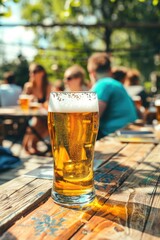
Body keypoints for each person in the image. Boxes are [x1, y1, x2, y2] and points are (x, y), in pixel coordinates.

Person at [87, 52, 138, 139]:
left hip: (115, 135)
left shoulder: (103, 84)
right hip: (130, 131)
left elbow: (91, 119)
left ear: (92, 73)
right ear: (110, 70)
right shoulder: (118, 85)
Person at [22, 63, 53, 155]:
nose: (32, 74)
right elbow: (23, 101)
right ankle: (29, 145)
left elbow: (48, 102)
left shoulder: (47, 86)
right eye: (31, 72)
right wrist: (30, 99)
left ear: (42, 73)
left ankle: (31, 144)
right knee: (37, 121)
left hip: (43, 115)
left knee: (47, 123)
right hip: (33, 114)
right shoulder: (29, 86)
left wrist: (41, 104)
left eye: (35, 71)